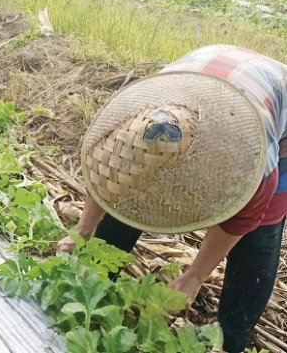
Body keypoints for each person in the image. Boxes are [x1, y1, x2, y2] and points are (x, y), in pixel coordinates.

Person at [58, 45, 286, 352]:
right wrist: (83, 230)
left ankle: (231, 338)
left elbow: (241, 220)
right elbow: (108, 179)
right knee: (132, 195)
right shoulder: (127, 124)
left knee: (259, 237)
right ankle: (97, 282)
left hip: (271, 107)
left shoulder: (250, 158)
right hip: (210, 69)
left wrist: (195, 276)